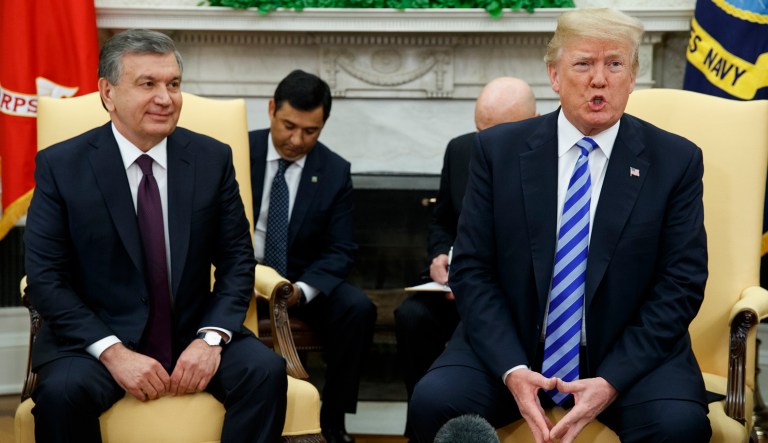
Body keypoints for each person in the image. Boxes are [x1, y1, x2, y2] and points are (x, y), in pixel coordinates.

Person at [408, 8, 711, 443]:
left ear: (633, 76)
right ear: (554, 75)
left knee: (678, 427)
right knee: (434, 401)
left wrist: (611, 380)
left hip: (629, 355)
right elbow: (473, 268)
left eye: (615, 64)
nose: (599, 79)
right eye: (583, 64)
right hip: (512, 344)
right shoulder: (497, 152)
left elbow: (680, 284)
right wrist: (512, 370)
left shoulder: (675, 161)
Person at [24, 29, 287, 443]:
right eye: (148, 84)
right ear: (107, 93)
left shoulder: (211, 159)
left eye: (174, 84)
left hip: (191, 330)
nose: (166, 98)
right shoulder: (61, 166)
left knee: (265, 372)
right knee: (62, 393)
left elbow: (238, 262)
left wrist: (210, 339)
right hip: (95, 338)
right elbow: (45, 278)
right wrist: (112, 351)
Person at [393, 76, 537, 437]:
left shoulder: (549, 161)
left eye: (495, 133)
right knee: (411, 316)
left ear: (532, 120)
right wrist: (440, 254)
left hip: (507, 301)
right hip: (454, 291)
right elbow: (442, 220)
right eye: (479, 131)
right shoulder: (460, 150)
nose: (484, 144)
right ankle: (427, 428)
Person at [249, 69, 377, 443]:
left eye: (311, 131)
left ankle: (333, 420)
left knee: (358, 309)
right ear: (271, 110)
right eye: (288, 125)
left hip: (299, 285)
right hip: (241, 279)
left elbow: (341, 249)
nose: (296, 140)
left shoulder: (334, 170)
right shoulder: (235, 151)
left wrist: (299, 291)